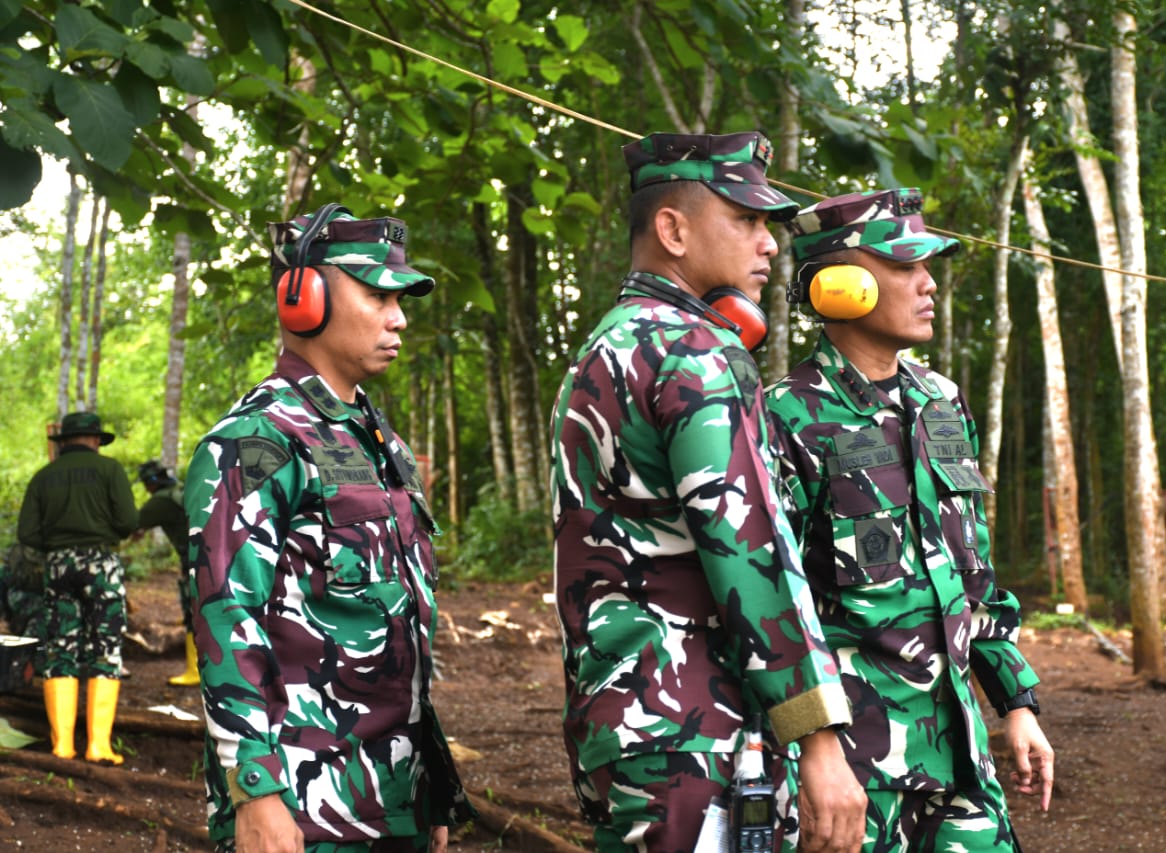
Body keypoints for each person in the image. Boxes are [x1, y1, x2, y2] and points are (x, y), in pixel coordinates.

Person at [550, 131, 865, 853]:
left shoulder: (608, 345)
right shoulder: (693, 350)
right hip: (694, 726)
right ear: (673, 229)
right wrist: (817, 736)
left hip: (629, 723)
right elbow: (749, 547)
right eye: (747, 220)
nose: (769, 245)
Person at [765, 188, 1055, 851]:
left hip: (959, 761)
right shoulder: (784, 417)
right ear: (840, 286)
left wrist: (1014, 702)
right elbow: (770, 607)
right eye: (905, 265)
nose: (927, 283)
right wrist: (811, 753)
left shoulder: (943, 404)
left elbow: (972, 576)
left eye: (928, 265)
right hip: (851, 775)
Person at [184, 204, 474, 852]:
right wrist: (254, 791)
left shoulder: (374, 440)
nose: (398, 316)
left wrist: (431, 782)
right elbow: (225, 615)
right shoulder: (257, 439)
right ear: (304, 298)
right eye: (376, 294)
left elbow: (398, 625)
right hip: (303, 807)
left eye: (401, 298)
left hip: (388, 797)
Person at [17, 410, 138, 764]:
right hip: (101, 563)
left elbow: (26, 533)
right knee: (105, 647)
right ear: (96, 440)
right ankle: (98, 745)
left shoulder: (43, 477)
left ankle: (63, 745)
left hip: (58, 566)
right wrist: (103, 536)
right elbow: (128, 521)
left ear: (63, 441)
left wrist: (57, 547)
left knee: (60, 647)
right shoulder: (110, 471)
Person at [134, 459, 198, 686]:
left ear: (151, 482)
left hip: (194, 560)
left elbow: (130, 523)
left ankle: (195, 671)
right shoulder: (180, 489)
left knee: (194, 613)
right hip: (210, 555)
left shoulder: (160, 501)